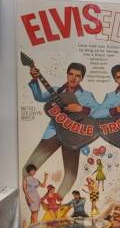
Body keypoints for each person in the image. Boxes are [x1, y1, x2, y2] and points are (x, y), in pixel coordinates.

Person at [22, 62, 99, 198]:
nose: (73, 78)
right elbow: (39, 97)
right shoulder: (56, 91)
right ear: (67, 74)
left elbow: (100, 112)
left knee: (70, 175)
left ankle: (57, 201)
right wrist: (34, 79)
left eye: (78, 76)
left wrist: (82, 108)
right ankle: (31, 198)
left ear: (82, 78)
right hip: (53, 133)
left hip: (74, 136)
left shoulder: (87, 95)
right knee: (27, 168)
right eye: (71, 74)